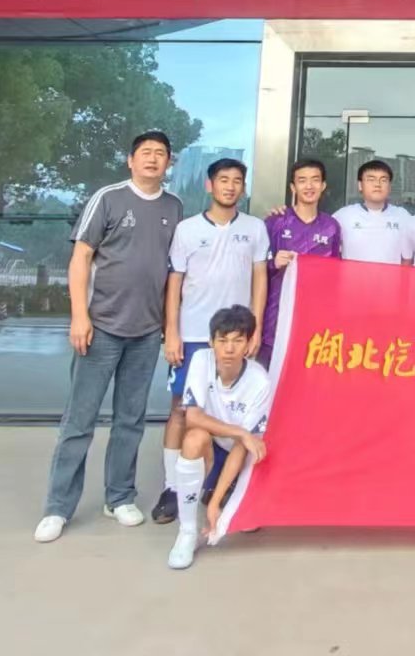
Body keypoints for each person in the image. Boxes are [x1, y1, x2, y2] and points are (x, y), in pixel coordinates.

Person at [35, 131, 182, 544]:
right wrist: (79, 316)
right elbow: (81, 257)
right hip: (100, 327)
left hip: (146, 331)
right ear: (130, 160)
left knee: (130, 420)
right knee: (79, 421)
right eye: (145, 153)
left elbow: (174, 270)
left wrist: (168, 326)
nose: (152, 159)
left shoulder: (174, 206)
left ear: (169, 163)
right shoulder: (109, 198)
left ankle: (119, 497)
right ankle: (58, 507)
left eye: (160, 154)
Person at [151, 158, 270, 525]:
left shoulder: (255, 228)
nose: (230, 186)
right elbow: (174, 283)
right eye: (223, 180)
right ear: (210, 185)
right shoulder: (187, 229)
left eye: (237, 181)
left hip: (236, 336)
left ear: (243, 188)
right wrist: (172, 332)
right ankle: (172, 487)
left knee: (230, 410)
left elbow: (260, 279)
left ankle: (220, 483)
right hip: (193, 335)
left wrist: (255, 329)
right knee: (180, 410)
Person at [168, 304, 273, 570]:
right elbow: (193, 418)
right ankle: (187, 532)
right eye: (222, 340)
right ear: (211, 342)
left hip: (241, 453)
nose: (229, 349)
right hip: (215, 444)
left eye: (238, 341)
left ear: (248, 344)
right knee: (194, 438)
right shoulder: (200, 361)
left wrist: (214, 506)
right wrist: (241, 432)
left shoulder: (260, 381)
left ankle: (225, 496)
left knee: (247, 519)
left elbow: (242, 447)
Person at [260, 159, 343, 367]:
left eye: (315, 180)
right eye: (302, 180)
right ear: (293, 187)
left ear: (323, 185)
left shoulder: (331, 226)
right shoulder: (276, 221)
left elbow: (336, 275)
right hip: (276, 317)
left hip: (314, 319)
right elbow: (256, 269)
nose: (309, 186)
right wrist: (273, 263)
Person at [334, 160, 412, 265]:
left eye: (383, 180)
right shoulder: (343, 216)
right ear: (360, 185)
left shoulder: (402, 216)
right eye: (371, 179)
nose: (377, 184)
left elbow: (407, 259)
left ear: (389, 187)